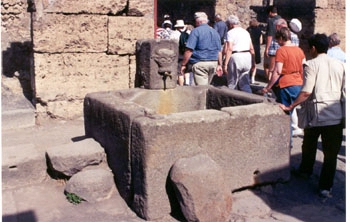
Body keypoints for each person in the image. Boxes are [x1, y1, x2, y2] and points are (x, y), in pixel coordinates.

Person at [280, 33, 346, 198]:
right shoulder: (341, 64)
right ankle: (325, 186)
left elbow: (307, 91)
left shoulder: (311, 65)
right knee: (331, 153)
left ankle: (305, 170)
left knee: (309, 144)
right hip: (335, 113)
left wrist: (291, 106)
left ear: (314, 48)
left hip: (316, 113)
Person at [261, 27, 305, 139]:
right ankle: (294, 129)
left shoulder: (281, 51)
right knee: (292, 108)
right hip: (298, 83)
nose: (277, 42)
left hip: (286, 84)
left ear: (281, 38)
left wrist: (268, 87)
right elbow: (304, 67)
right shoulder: (299, 50)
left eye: (278, 40)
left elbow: (277, 71)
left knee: (286, 115)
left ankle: (287, 142)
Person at [180, 12, 222, 86]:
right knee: (207, 87)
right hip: (213, 62)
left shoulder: (195, 31)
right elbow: (219, 51)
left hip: (200, 63)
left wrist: (183, 64)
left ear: (197, 21)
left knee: (201, 90)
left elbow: (189, 50)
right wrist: (219, 64)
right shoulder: (215, 32)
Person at [222, 15, 255, 93]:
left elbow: (229, 48)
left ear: (230, 24)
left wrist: (225, 64)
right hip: (247, 56)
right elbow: (251, 48)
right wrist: (253, 62)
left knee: (232, 83)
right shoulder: (246, 32)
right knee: (245, 82)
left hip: (236, 56)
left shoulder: (230, 33)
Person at [264, 5, 281, 80]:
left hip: (273, 45)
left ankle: (269, 81)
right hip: (281, 44)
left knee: (268, 66)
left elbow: (270, 35)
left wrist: (267, 48)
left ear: (270, 12)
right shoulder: (282, 19)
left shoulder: (271, 21)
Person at [247, 18, 263, 84]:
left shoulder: (248, 30)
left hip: (249, 47)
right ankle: (253, 78)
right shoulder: (259, 30)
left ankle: (247, 77)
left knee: (248, 63)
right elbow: (261, 41)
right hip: (256, 47)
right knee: (254, 64)